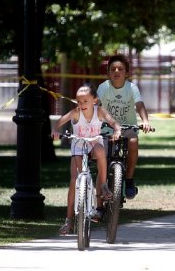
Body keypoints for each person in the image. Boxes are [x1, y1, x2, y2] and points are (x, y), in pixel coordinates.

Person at [51, 84, 121, 234]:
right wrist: (55, 130)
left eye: (85, 101)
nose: (81, 104)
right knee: (73, 181)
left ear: (94, 100)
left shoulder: (100, 111)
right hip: (78, 145)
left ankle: (102, 185)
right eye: (79, 101)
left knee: (101, 150)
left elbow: (114, 123)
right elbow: (59, 122)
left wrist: (117, 130)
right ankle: (69, 221)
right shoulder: (75, 113)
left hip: (94, 142)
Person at [96, 54, 152, 216]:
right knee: (102, 161)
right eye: (113, 69)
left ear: (126, 73)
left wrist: (145, 121)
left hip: (127, 127)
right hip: (106, 128)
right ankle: (99, 207)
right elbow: (98, 106)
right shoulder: (103, 87)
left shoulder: (132, 88)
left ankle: (128, 179)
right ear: (108, 73)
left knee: (133, 141)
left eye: (120, 69)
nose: (116, 71)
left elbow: (139, 105)